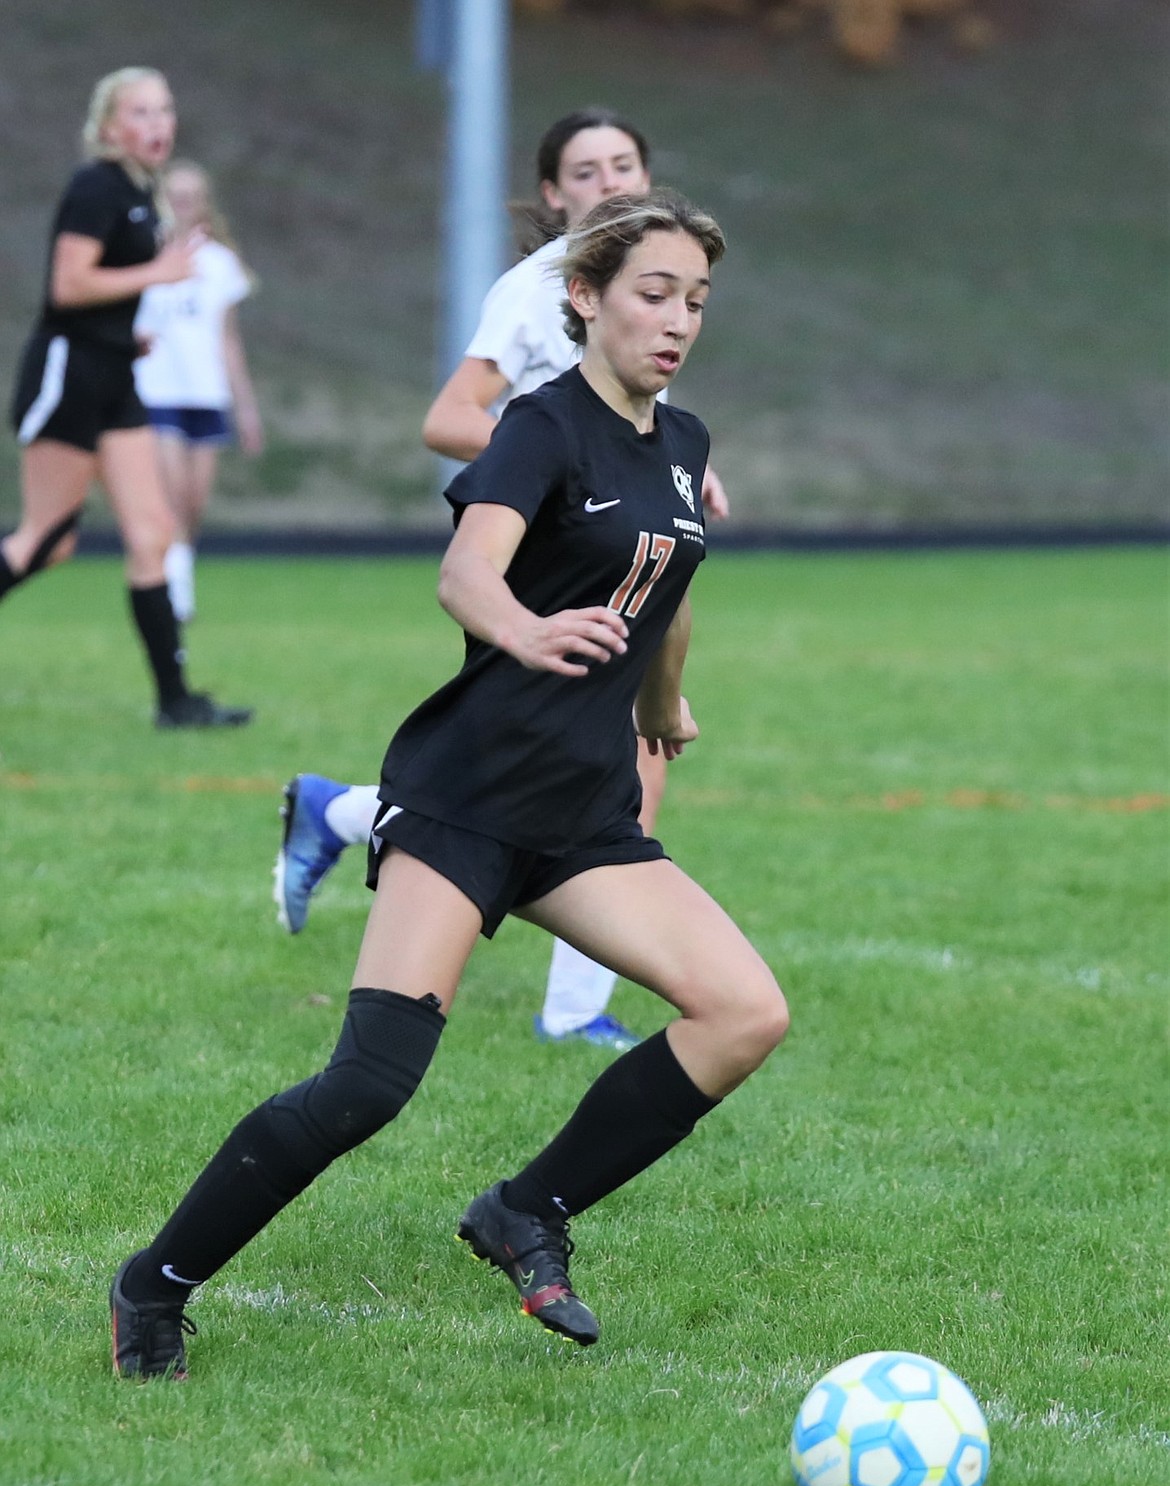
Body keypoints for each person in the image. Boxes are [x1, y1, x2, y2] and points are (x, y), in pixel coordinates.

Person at [110, 189, 789, 1380]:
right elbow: (465, 571)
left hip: (583, 816)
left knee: (745, 1012)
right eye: (652, 293)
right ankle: (154, 1282)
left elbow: (661, 594)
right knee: (367, 1084)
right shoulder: (541, 424)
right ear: (583, 298)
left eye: (695, 299)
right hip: (469, 794)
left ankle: (526, 1210)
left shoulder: (684, 444)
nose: (677, 320)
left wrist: (660, 705)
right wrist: (523, 632)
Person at [274, 108, 729, 1052]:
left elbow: (643, 435)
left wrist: (643, 472)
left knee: (613, 773)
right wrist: (572, 464)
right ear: (555, 195)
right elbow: (453, 417)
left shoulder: (660, 281)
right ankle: (570, 1008)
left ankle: (340, 810)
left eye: (625, 165)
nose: (609, 182)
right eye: (587, 170)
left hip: (620, 561)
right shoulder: (541, 292)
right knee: (547, 769)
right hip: (548, 566)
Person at [0, 67, 251, 729]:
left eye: (164, 110)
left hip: (116, 375)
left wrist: (126, 334)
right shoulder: (96, 185)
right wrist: (160, 272)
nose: (156, 124)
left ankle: (176, 702)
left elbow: (105, 295)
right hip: (70, 377)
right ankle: (174, 698)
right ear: (108, 127)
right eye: (139, 112)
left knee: (153, 533)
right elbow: (67, 286)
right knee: (46, 540)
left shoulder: (140, 194)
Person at [134, 160, 263, 624]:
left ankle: (179, 568)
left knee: (193, 501)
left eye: (192, 193)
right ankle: (174, 590)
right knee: (169, 494)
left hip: (205, 394)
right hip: (157, 391)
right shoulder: (142, 254)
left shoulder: (219, 263)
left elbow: (228, 339)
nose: (183, 201)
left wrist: (245, 408)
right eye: (175, 192)